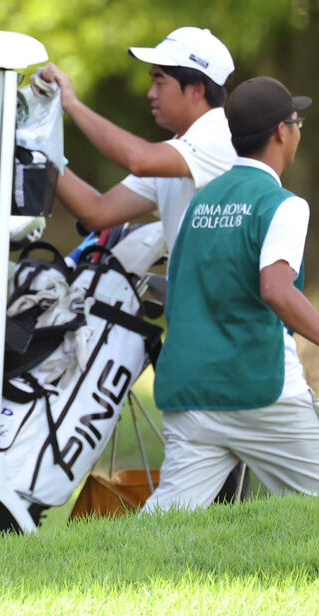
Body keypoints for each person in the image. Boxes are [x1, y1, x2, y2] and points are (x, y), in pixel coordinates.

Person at [147, 77, 319, 512]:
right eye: (297, 123)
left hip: (191, 391)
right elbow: (276, 289)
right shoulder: (283, 204)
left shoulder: (198, 204)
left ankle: (102, 579)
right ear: (283, 131)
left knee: (164, 523)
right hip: (259, 388)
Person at [38, 27, 235, 254]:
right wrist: (38, 151)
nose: (151, 93)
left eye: (160, 83)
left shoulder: (220, 136)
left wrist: (72, 105)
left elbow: (139, 160)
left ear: (196, 90)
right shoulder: (180, 149)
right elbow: (97, 212)